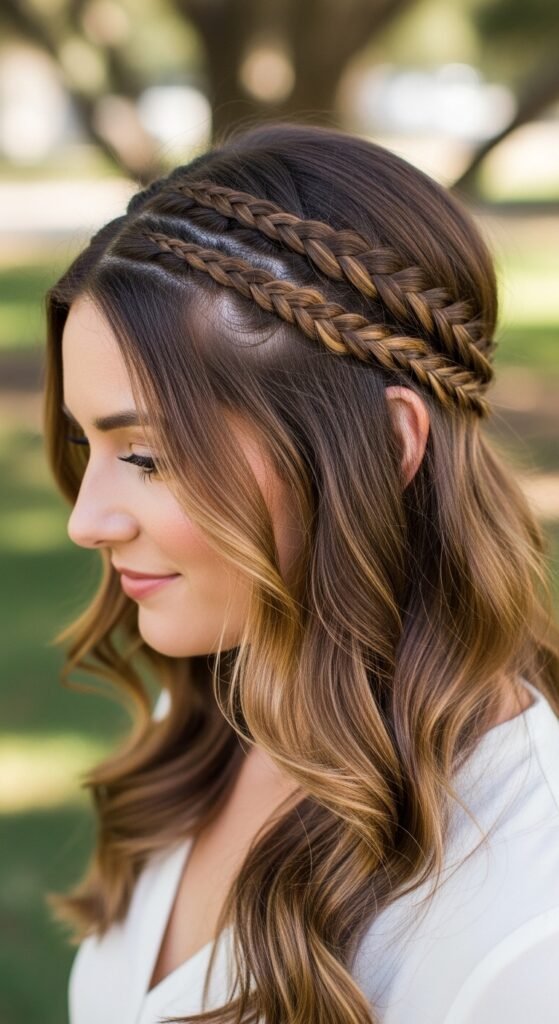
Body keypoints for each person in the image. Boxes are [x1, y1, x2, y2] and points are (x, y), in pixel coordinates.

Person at [42, 122, 559, 1024]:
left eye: (150, 456)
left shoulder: (524, 934)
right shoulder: (213, 707)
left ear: (387, 444)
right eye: (88, 444)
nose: (86, 521)